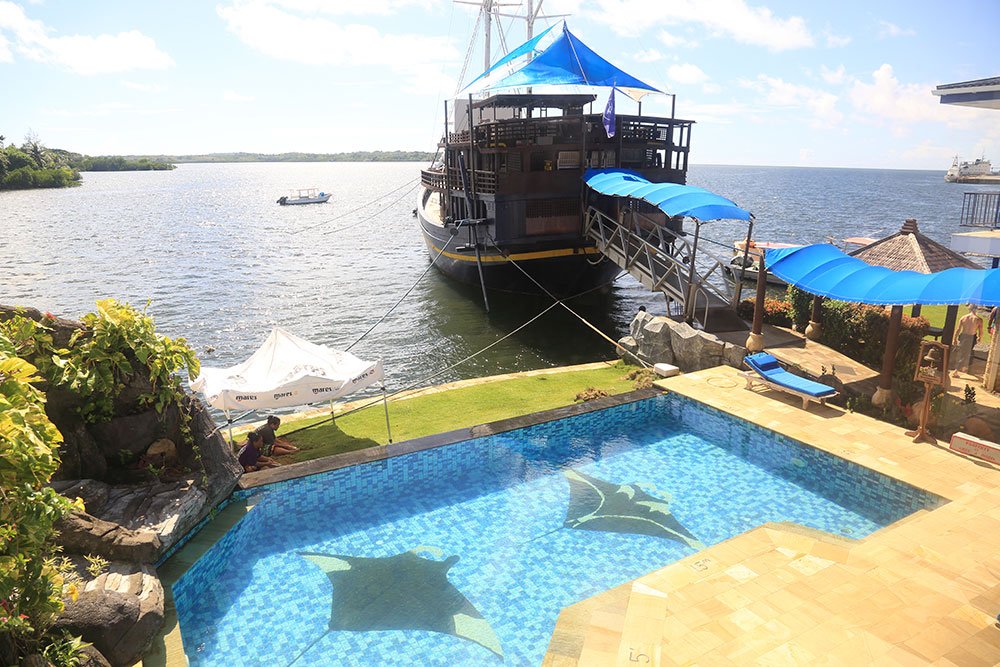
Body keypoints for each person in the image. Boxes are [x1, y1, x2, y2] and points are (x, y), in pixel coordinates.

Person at [952, 305, 983, 377]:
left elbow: (958, 329)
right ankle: (957, 370)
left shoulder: (964, 317)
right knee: (966, 354)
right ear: (976, 310)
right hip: (971, 337)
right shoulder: (978, 320)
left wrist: (955, 339)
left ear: (969, 309)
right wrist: (980, 338)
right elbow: (981, 332)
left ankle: (963, 367)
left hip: (963, 336)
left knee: (963, 352)